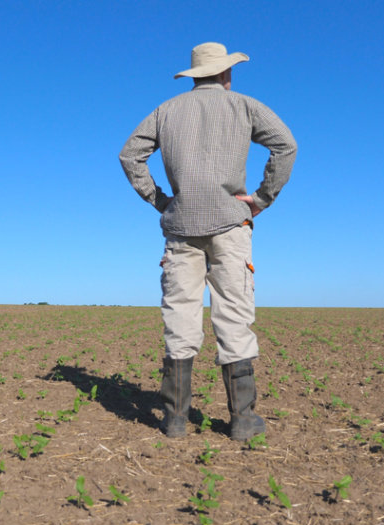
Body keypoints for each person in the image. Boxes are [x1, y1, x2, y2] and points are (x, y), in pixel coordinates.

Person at [119, 42, 297, 440]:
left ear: (195, 75)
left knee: (180, 317)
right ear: (226, 73)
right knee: (233, 316)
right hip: (231, 226)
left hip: (181, 227)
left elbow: (130, 155)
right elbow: (286, 146)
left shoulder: (166, 110)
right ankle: (243, 421)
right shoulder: (245, 106)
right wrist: (261, 199)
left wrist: (160, 200)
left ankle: (174, 420)